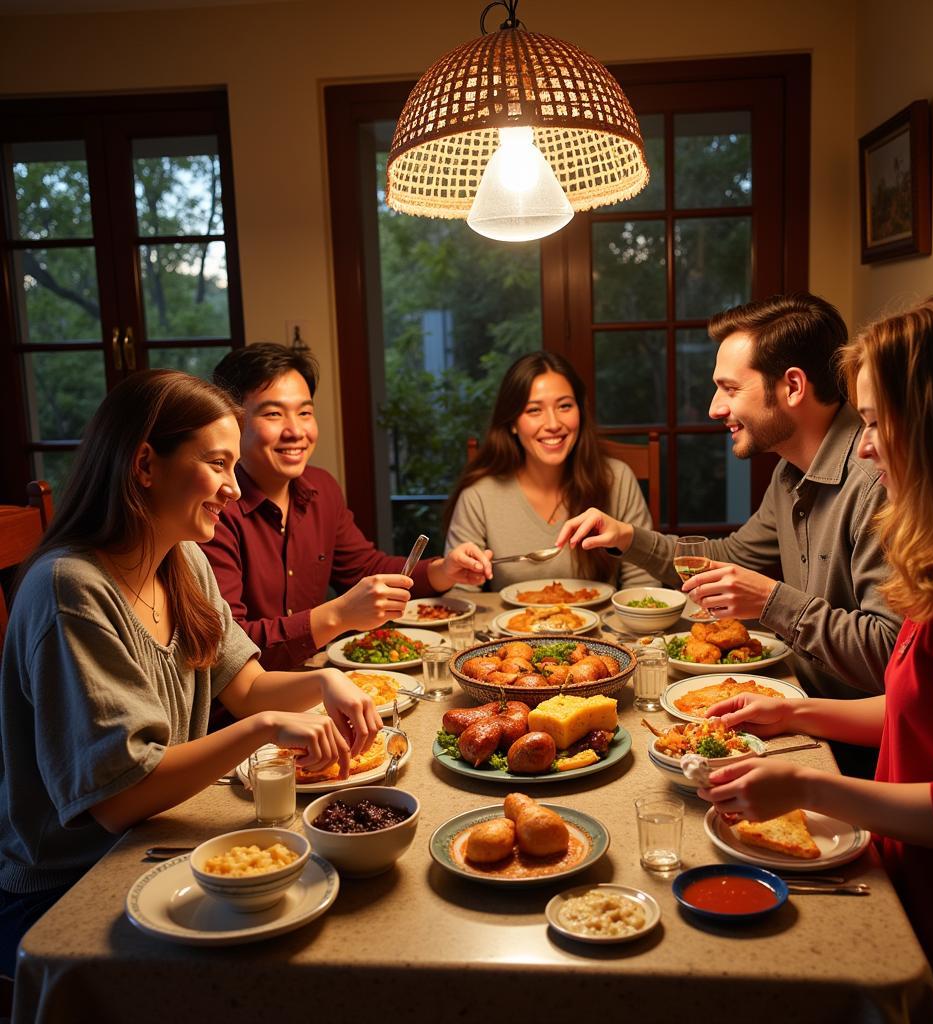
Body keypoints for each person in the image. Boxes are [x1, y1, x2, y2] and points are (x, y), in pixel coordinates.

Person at [700, 294, 933, 1019]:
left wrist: (810, 788)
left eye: (877, 422)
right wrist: (795, 711)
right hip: (904, 870)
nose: (866, 447)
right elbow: (919, 709)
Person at [0, 370, 382, 977]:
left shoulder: (185, 562)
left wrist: (323, 683)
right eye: (218, 464)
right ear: (145, 464)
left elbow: (249, 687)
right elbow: (122, 797)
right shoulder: (69, 588)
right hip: (64, 887)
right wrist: (264, 730)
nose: (233, 488)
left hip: (152, 846)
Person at [557, 294, 901, 702]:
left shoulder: (878, 480)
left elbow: (890, 655)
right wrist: (627, 537)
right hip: (797, 699)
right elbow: (731, 558)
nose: (714, 408)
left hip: (855, 747)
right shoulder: (790, 471)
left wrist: (770, 601)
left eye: (730, 388)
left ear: (792, 386)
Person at [202, 344, 491, 672]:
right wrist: (337, 615)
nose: (296, 431)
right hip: (249, 705)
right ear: (232, 421)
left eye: (305, 412)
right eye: (273, 414)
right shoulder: (213, 510)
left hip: (316, 677)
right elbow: (230, 645)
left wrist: (442, 570)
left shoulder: (320, 489)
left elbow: (365, 568)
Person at [443, 351, 658, 593]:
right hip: (510, 630)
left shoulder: (617, 480)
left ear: (580, 411)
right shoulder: (479, 496)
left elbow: (644, 585)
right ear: (512, 423)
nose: (554, 424)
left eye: (565, 406)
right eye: (534, 410)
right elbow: (464, 596)